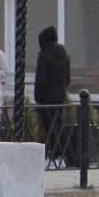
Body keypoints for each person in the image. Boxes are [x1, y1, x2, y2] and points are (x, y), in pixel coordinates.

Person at [34, 25, 71, 158]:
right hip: (59, 97)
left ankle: (54, 154)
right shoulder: (64, 55)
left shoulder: (44, 56)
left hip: (46, 99)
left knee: (49, 128)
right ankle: (63, 153)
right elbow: (67, 79)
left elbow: (41, 80)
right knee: (59, 125)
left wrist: (38, 97)